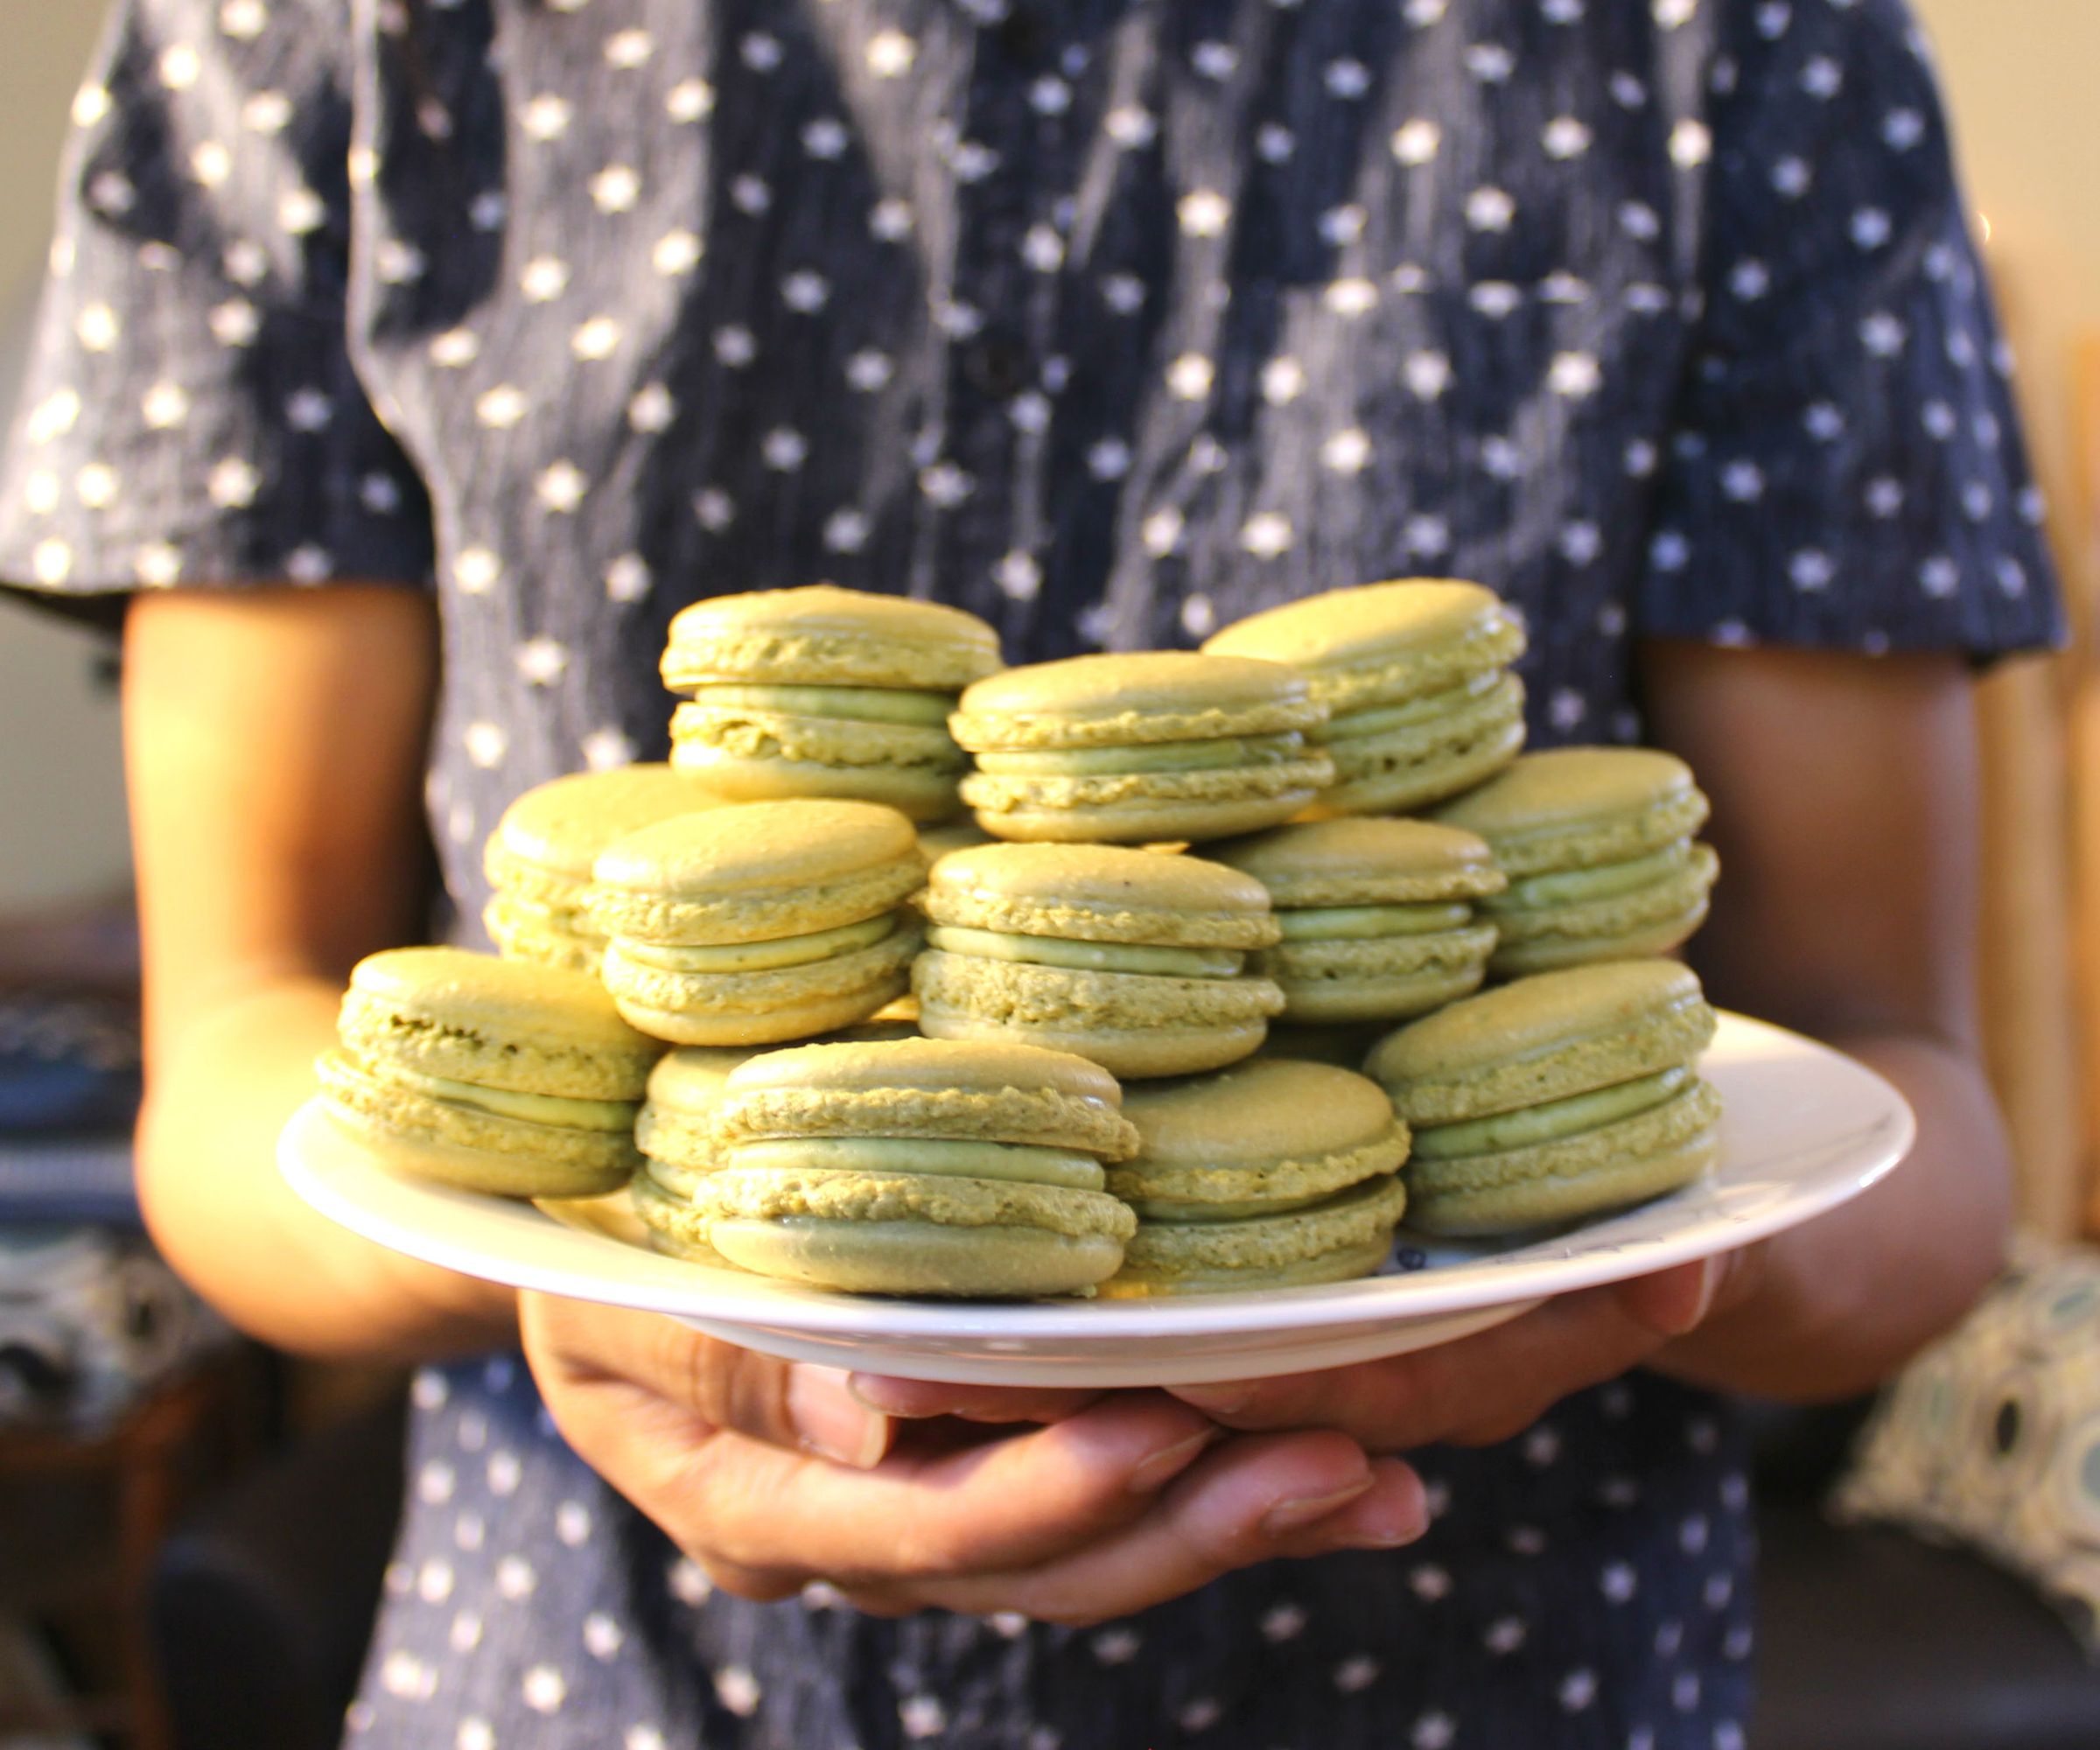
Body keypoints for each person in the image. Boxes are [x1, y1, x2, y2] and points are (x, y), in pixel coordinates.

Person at [0, 1, 2062, 1745]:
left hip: (1498, 1658)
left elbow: (1911, 1119)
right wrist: (627, 1295)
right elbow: (254, 1052)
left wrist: (1609, 1249)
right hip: (589, 1671)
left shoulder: (1738, 35)